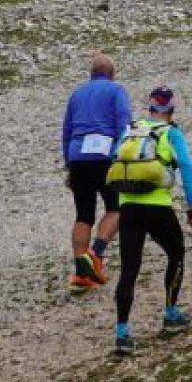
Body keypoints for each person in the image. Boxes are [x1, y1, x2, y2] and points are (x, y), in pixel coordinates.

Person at [109, 86, 192, 357]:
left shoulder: (131, 130)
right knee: (176, 253)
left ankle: (122, 333)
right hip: (158, 207)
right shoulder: (171, 132)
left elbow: (114, 160)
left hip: (128, 207)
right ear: (171, 110)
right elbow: (186, 165)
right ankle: (171, 313)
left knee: (129, 269)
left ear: (150, 108)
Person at [62, 54, 131, 292]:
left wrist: (69, 165)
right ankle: (96, 254)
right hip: (105, 156)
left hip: (77, 156)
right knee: (117, 208)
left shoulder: (77, 94)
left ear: (91, 74)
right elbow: (125, 126)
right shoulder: (116, 90)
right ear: (111, 74)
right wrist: (121, 157)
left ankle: (81, 275)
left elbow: (66, 131)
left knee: (83, 215)